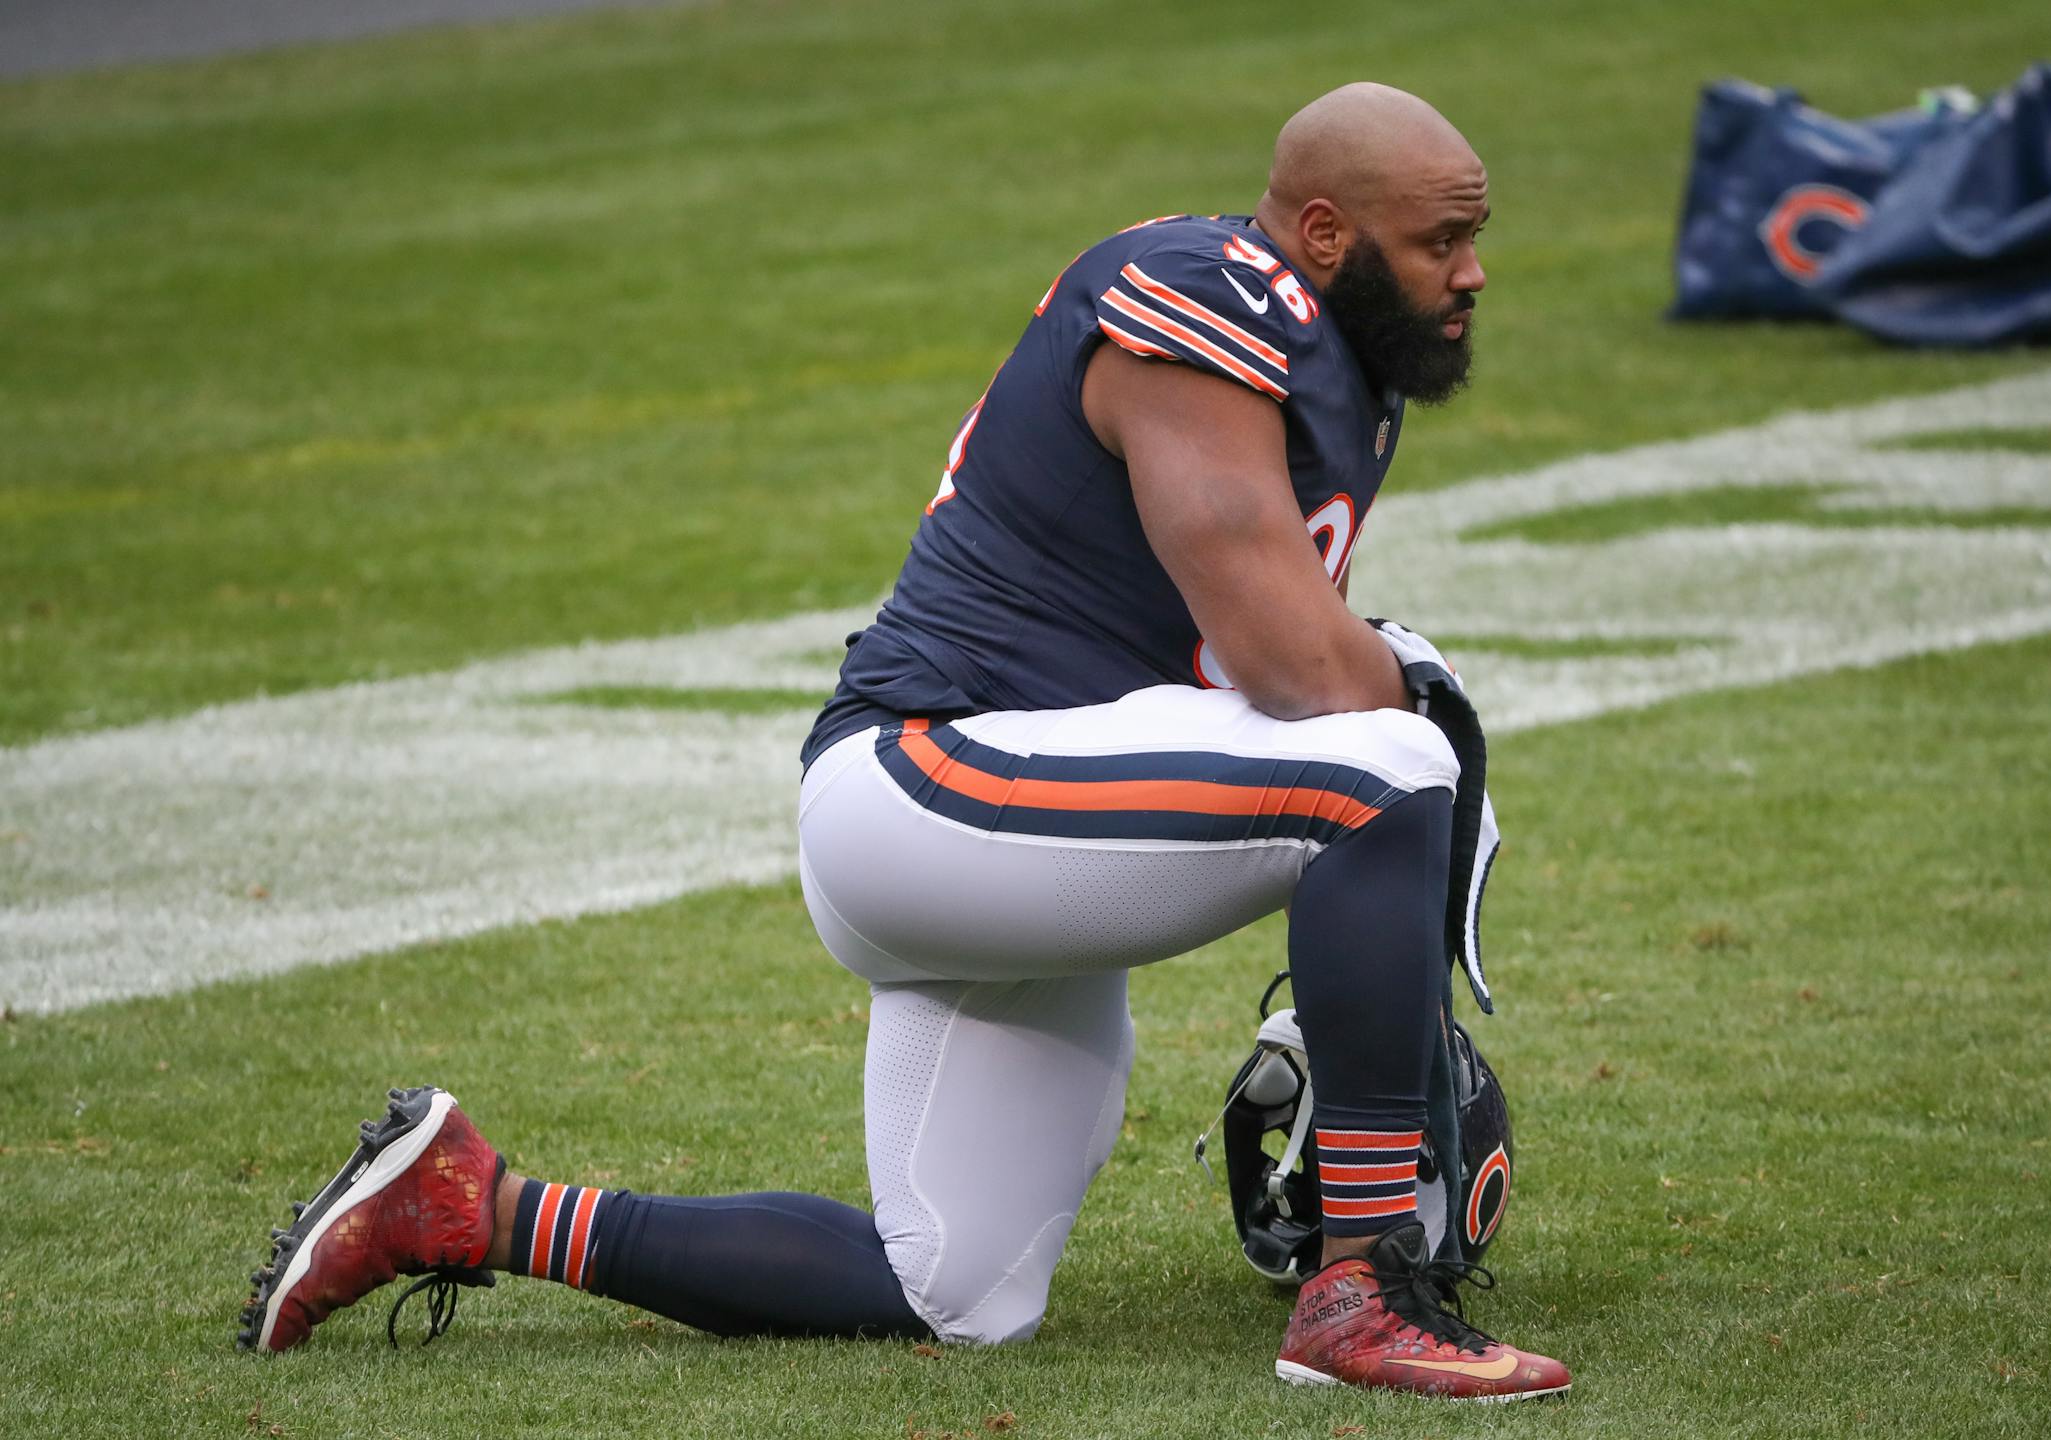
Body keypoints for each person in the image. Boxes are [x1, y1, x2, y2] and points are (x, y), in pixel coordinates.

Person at [240, 82, 1572, 1403]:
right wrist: (1414, 709)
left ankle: (468, 1204)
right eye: (1441, 240)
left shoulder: (1336, 354)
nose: (1473, 272)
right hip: (932, 776)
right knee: (1392, 764)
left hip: (1017, 814)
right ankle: (1362, 1292)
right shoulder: (1209, 294)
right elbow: (1298, 670)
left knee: (958, 1294)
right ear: (1326, 234)